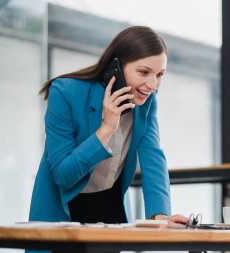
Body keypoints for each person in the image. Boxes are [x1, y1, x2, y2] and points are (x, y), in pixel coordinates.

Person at [28, 26, 188, 229]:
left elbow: (152, 155)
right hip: (63, 211)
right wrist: (106, 130)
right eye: (144, 72)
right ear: (117, 66)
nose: (152, 85)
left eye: (159, 75)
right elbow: (63, 175)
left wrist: (161, 215)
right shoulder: (65, 92)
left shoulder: (147, 101)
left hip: (111, 210)